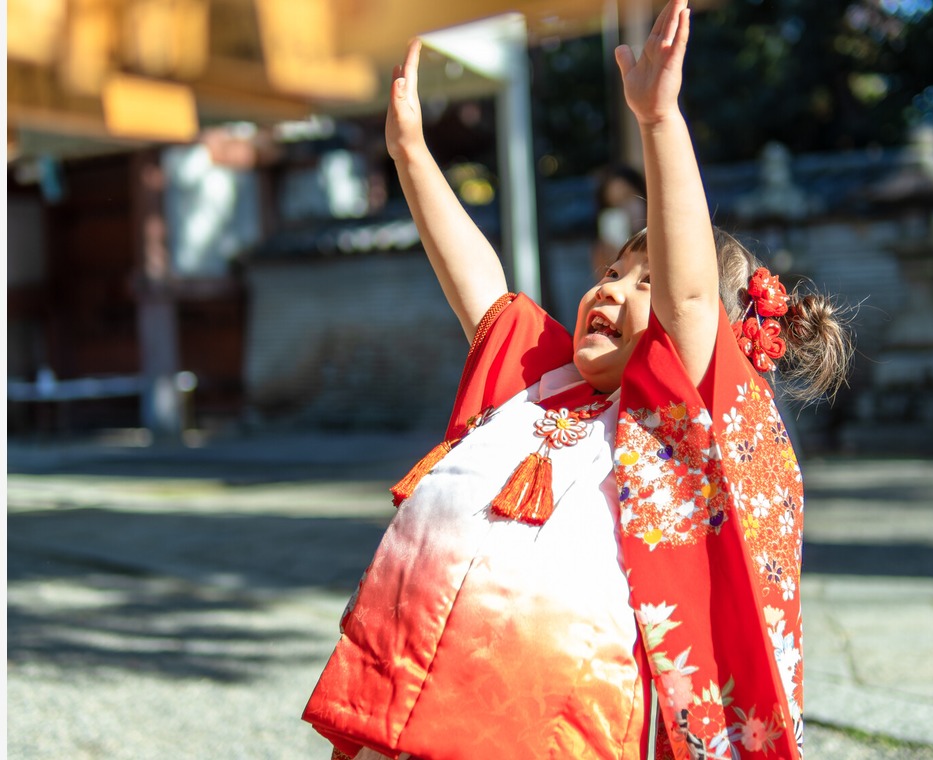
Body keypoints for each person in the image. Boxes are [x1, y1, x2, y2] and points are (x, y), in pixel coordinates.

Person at [301, 2, 852, 759]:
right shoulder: (546, 377)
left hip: (553, 721)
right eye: (613, 271)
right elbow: (479, 286)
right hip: (417, 685)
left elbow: (691, 298)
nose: (612, 289)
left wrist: (659, 122)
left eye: (643, 282)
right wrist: (411, 156)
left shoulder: (676, 415)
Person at [591, 163, 647, 279]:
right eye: (613, 205)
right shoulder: (603, 250)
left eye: (627, 197)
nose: (623, 210)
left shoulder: (663, 239)